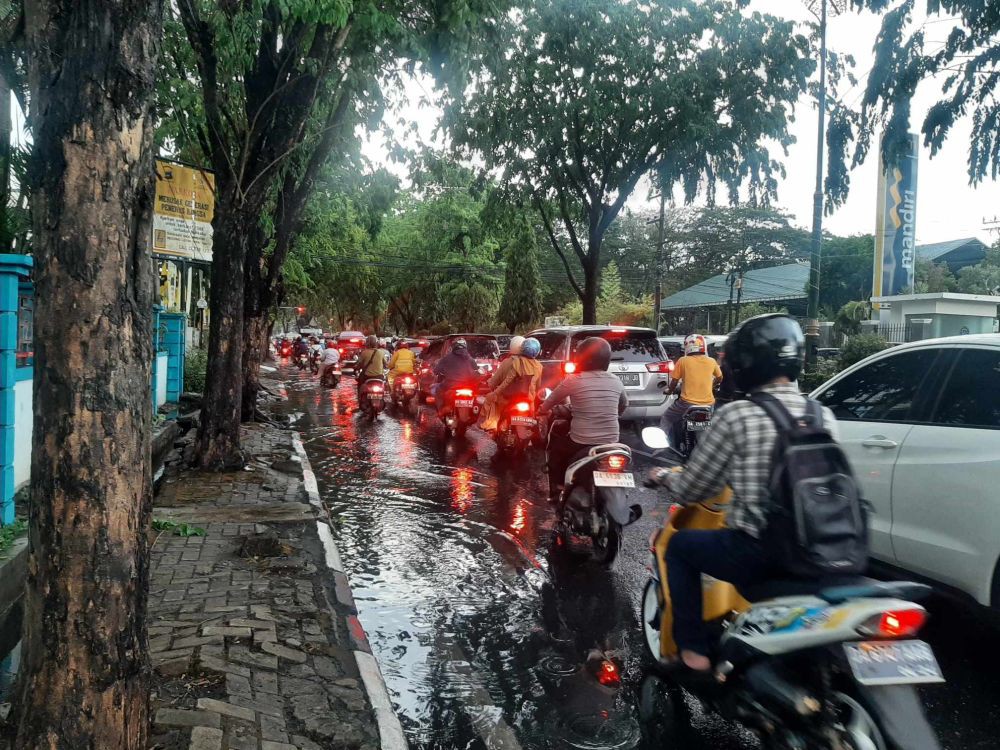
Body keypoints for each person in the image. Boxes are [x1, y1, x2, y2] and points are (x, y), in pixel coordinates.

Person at [645, 314, 838, 673]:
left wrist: (663, 475)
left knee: (680, 548)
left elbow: (694, 487)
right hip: (826, 549)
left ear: (745, 363)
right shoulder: (822, 414)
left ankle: (692, 651)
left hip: (763, 550)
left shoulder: (738, 415)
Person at [538, 337, 628, 502]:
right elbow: (623, 405)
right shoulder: (616, 380)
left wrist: (542, 410)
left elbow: (550, 402)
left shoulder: (574, 380)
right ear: (606, 360)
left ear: (582, 359)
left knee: (556, 453)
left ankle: (557, 491)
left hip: (581, 441)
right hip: (611, 442)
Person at [660, 334, 722, 447]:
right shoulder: (712, 361)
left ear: (687, 346)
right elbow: (719, 377)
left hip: (686, 403)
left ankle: (662, 446)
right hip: (708, 405)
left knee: (667, 417)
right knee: (704, 428)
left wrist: (669, 391)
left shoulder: (683, 361)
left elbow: (674, 382)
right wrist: (712, 386)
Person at [479, 336, 543, 431]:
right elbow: (537, 386)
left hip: (508, 397)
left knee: (494, 402)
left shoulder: (512, 362)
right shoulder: (539, 365)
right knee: (533, 413)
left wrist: (494, 391)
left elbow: (505, 382)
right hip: (528, 398)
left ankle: (492, 424)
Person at [432, 338, 479, 411]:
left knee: (436, 388)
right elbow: (476, 368)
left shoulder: (447, 358)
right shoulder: (470, 358)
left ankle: (441, 411)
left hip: (450, 385)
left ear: (454, 346)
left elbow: (436, 371)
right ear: (465, 346)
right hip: (467, 386)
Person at [355, 335, 389, 402]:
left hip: (367, 377)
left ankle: (360, 399)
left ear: (367, 343)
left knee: (359, 383)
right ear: (376, 343)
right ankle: (385, 396)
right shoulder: (381, 352)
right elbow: (386, 364)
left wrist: (356, 368)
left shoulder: (364, 353)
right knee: (386, 383)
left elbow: (359, 364)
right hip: (379, 376)